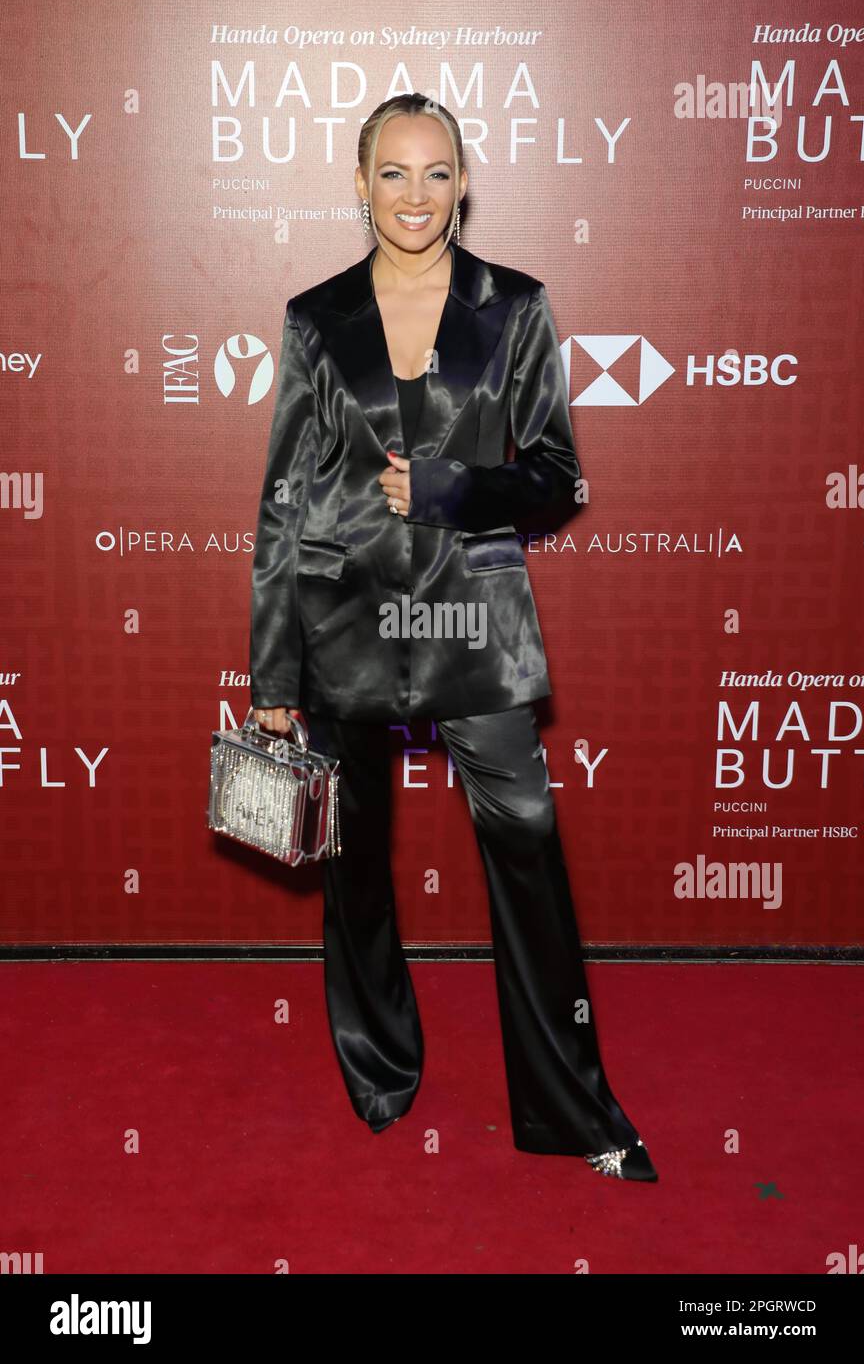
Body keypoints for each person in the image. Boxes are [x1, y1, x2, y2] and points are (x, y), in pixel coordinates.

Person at [248, 92, 657, 1182]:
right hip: (340, 619)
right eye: (392, 172)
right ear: (358, 182)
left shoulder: (514, 307)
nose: (414, 196)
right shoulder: (314, 316)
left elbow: (557, 477)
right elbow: (286, 500)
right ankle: (379, 1066)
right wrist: (271, 668)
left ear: (465, 182)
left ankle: (572, 1107)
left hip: (473, 615)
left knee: (525, 848)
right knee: (356, 867)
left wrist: (449, 487)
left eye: (436, 174)